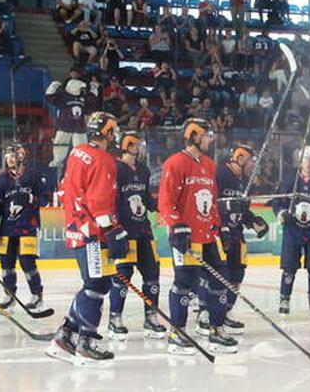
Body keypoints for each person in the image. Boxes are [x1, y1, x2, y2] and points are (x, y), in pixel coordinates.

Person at [46, 112, 127, 365]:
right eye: (113, 130)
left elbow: (68, 189)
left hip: (77, 227)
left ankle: (65, 335)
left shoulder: (77, 151)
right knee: (96, 285)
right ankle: (86, 343)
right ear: (108, 133)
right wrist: (113, 231)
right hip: (91, 233)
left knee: (95, 283)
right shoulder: (103, 160)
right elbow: (99, 203)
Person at [158, 118, 239, 354]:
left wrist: (221, 227)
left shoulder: (209, 164)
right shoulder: (175, 162)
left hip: (207, 235)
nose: (209, 140)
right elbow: (165, 201)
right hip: (186, 236)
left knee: (220, 280)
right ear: (193, 136)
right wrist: (176, 225)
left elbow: (212, 201)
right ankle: (177, 332)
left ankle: (216, 329)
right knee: (185, 283)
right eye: (206, 135)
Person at [107, 132, 168, 340]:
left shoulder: (143, 169)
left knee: (152, 275)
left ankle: (151, 318)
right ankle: (115, 319)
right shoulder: (116, 169)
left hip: (144, 231)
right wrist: (116, 229)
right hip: (125, 232)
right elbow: (112, 200)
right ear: (127, 146)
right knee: (122, 277)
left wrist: (161, 206)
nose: (140, 148)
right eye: (137, 145)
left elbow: (146, 197)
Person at [271, 146, 310, 315]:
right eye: (306, 159)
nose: (308, 163)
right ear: (300, 161)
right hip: (293, 231)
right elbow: (277, 201)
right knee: (289, 266)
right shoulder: (289, 181)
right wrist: (281, 213)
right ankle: (284, 298)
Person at [0, 143, 49, 312]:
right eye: (7, 157)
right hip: (7, 228)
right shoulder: (1, 179)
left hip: (28, 226)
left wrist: (32, 199)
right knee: (6, 264)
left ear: (21, 157)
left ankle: (37, 296)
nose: (9, 160)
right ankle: (9, 296)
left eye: (12, 156)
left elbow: (45, 199)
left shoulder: (34, 176)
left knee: (27, 262)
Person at [212, 145, 269, 333]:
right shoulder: (220, 174)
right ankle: (207, 313)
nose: (254, 165)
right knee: (219, 276)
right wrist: (225, 213)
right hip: (219, 233)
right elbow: (209, 204)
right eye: (252, 161)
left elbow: (242, 210)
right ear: (241, 158)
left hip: (237, 234)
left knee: (237, 275)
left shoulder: (245, 181)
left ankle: (225, 313)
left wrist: (253, 221)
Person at [46, 78, 97, 167]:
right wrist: (52, 87)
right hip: (64, 125)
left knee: (82, 146)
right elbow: (50, 98)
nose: (81, 90)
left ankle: (82, 162)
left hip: (79, 127)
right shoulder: (63, 96)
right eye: (80, 88)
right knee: (60, 143)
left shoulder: (82, 97)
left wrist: (94, 89)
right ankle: (58, 160)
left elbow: (92, 100)